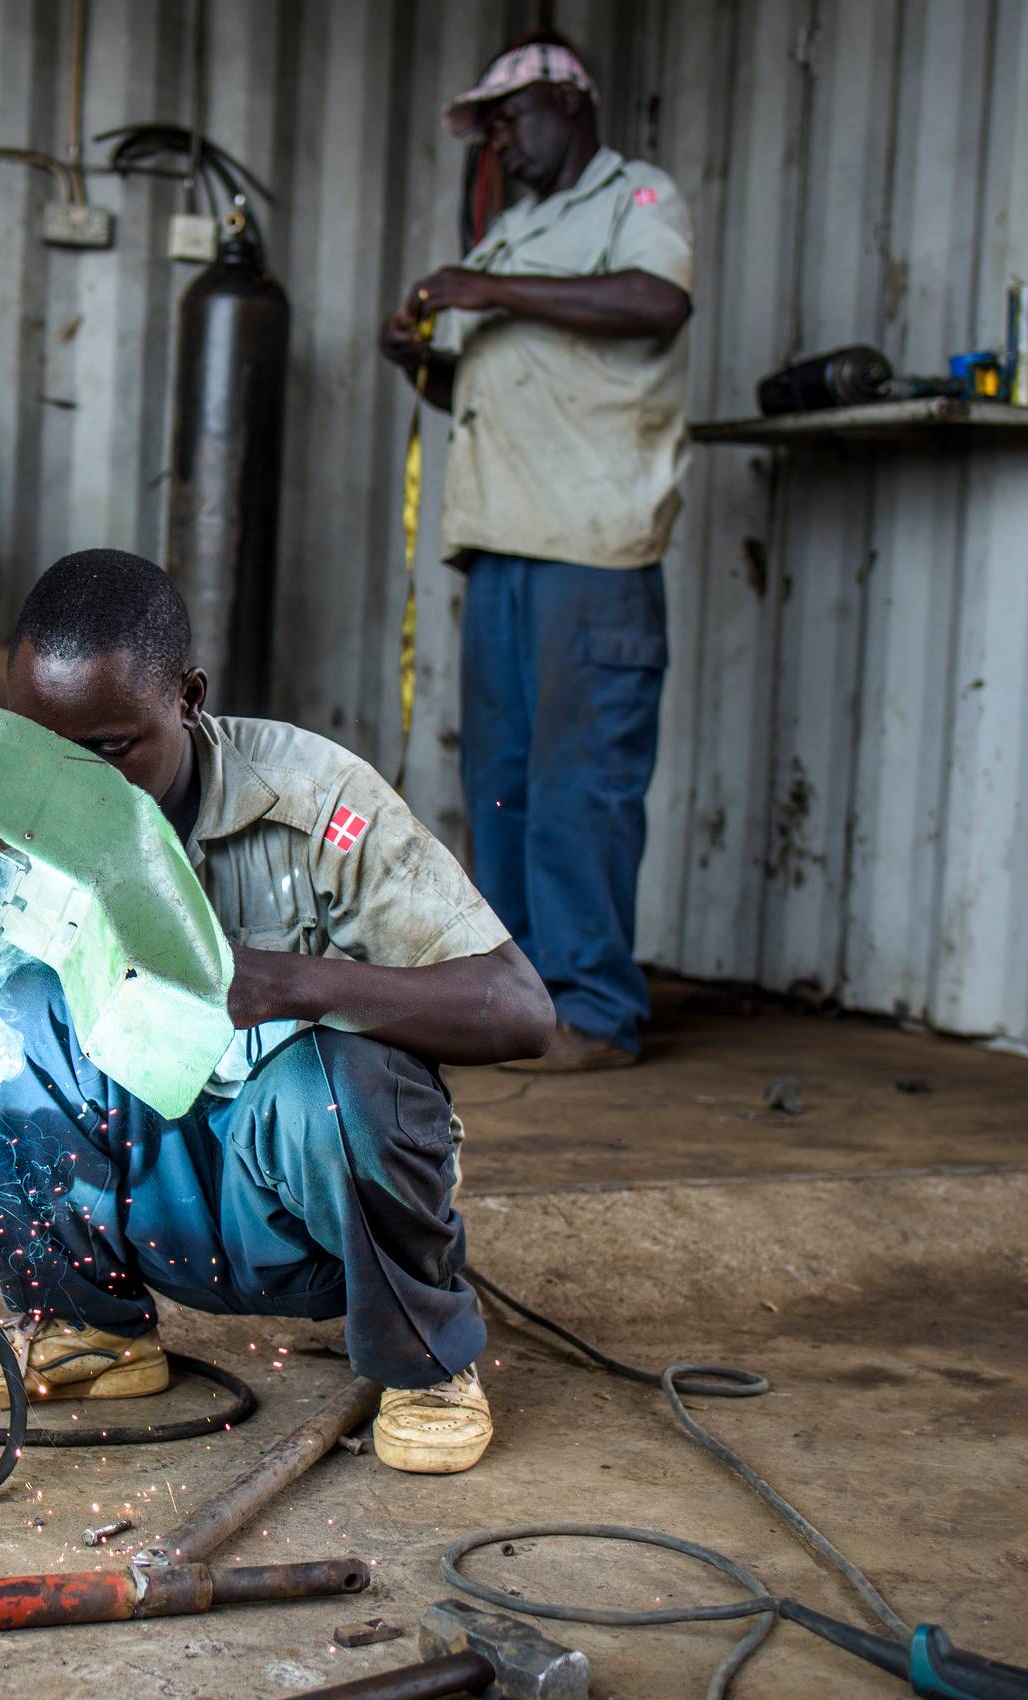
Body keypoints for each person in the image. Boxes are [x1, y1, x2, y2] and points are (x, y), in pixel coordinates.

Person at [0, 550, 554, 1475]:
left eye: (114, 750)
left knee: (342, 1078)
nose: (78, 787)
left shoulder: (318, 802)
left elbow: (523, 1009)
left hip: (302, 1211)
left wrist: (296, 984)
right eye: (52, 754)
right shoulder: (13, 815)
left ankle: (428, 1362)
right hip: (151, 1188)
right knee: (9, 1011)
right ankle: (88, 1327)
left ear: (190, 697)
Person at [381, 33, 694, 1072]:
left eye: (509, 120)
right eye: (488, 130)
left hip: (589, 551)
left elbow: (659, 304)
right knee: (506, 782)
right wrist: (420, 362)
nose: (499, 145)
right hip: (501, 547)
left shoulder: (634, 201)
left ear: (568, 100)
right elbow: (478, 384)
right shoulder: (515, 235)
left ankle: (596, 1011)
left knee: (581, 783)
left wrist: (486, 290)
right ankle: (515, 1005)